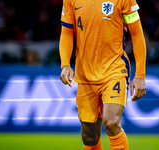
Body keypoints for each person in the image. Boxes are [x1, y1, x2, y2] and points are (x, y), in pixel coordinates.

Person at [59, 0, 146, 149]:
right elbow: (66, 32)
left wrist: (140, 75)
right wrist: (65, 64)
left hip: (114, 70)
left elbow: (137, 34)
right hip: (85, 75)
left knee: (111, 122)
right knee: (89, 136)